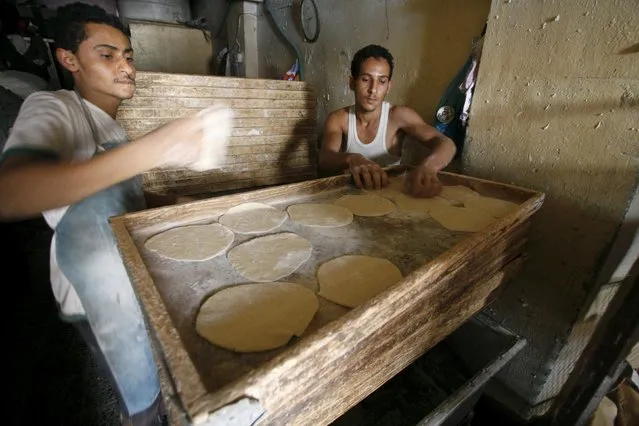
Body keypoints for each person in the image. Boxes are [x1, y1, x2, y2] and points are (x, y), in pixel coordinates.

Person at [0, 3, 222, 425]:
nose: (125, 67)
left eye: (129, 56)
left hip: (130, 277)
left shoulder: (113, 128)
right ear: (68, 60)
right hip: (97, 294)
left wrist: (177, 210)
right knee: (141, 403)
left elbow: (119, 199)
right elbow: (10, 192)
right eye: (107, 55)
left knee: (166, 380)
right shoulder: (54, 107)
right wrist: (157, 147)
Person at [319, 44, 457, 198]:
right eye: (366, 79)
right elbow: (325, 159)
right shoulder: (338, 119)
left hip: (391, 199)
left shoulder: (397, 116)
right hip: (349, 198)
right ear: (352, 82)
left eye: (382, 81)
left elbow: (445, 143)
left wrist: (429, 166)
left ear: (389, 86)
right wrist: (352, 158)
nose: (373, 89)